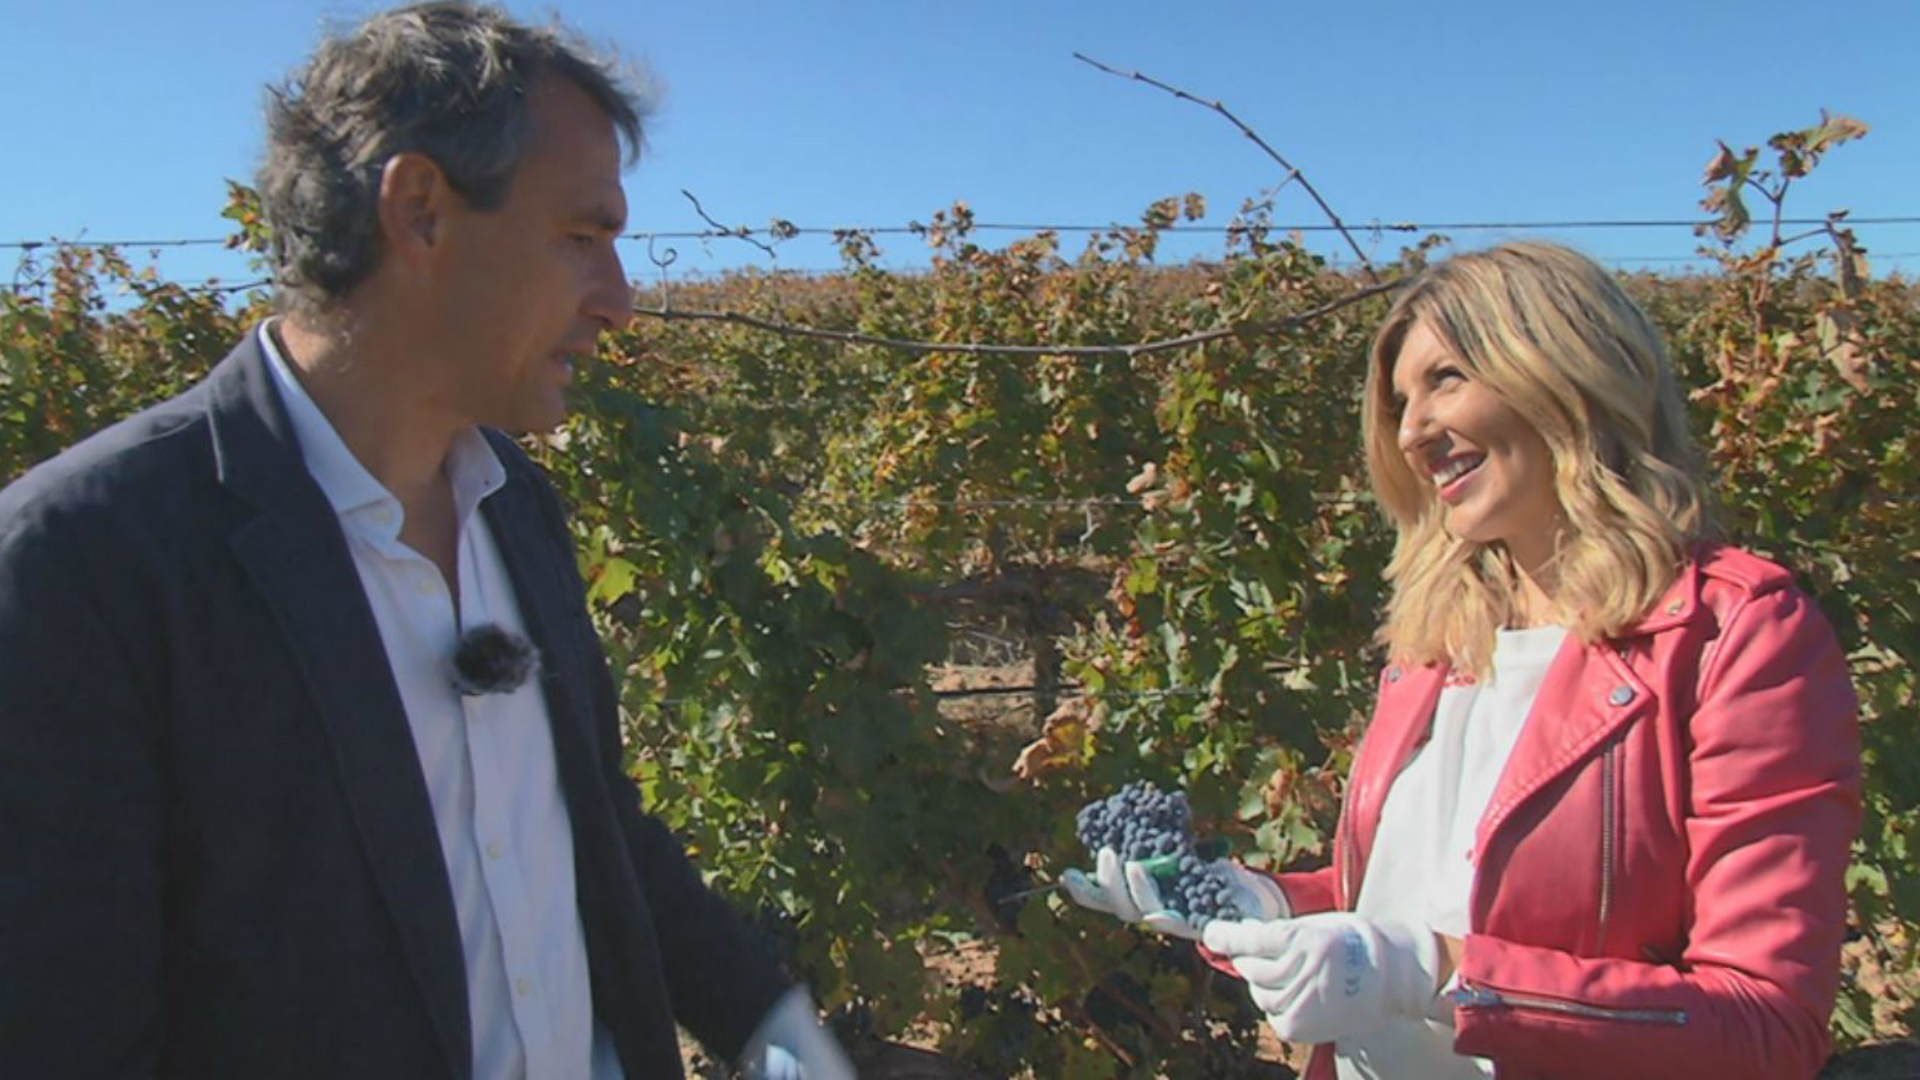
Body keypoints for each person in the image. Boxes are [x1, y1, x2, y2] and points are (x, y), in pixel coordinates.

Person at [0, 5, 852, 1078]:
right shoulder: (87, 564)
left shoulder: (515, 505)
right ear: (421, 213)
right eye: (581, 238)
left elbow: (595, 823)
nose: (620, 302)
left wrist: (779, 1036)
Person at [1066, 242, 1861, 1079]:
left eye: (1445, 379)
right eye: (1400, 402)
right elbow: (1411, 899)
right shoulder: (1441, 641)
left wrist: (1439, 973)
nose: (1411, 432)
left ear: (1566, 369)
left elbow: (1766, 1025)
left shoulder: (1733, 636)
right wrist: (1266, 905)